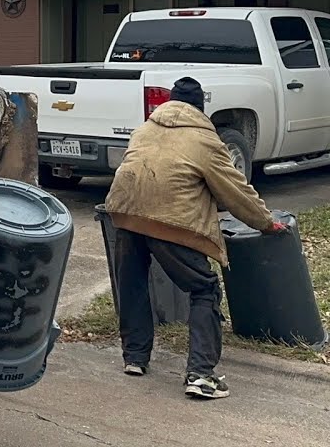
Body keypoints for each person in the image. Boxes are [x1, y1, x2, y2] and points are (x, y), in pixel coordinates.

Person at [105, 76, 285, 400]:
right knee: (204, 289)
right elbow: (235, 189)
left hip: (125, 212)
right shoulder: (205, 138)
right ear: (201, 107)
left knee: (132, 283)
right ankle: (201, 375)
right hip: (171, 219)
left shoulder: (146, 128)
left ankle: (135, 358)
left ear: (169, 103)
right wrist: (266, 222)